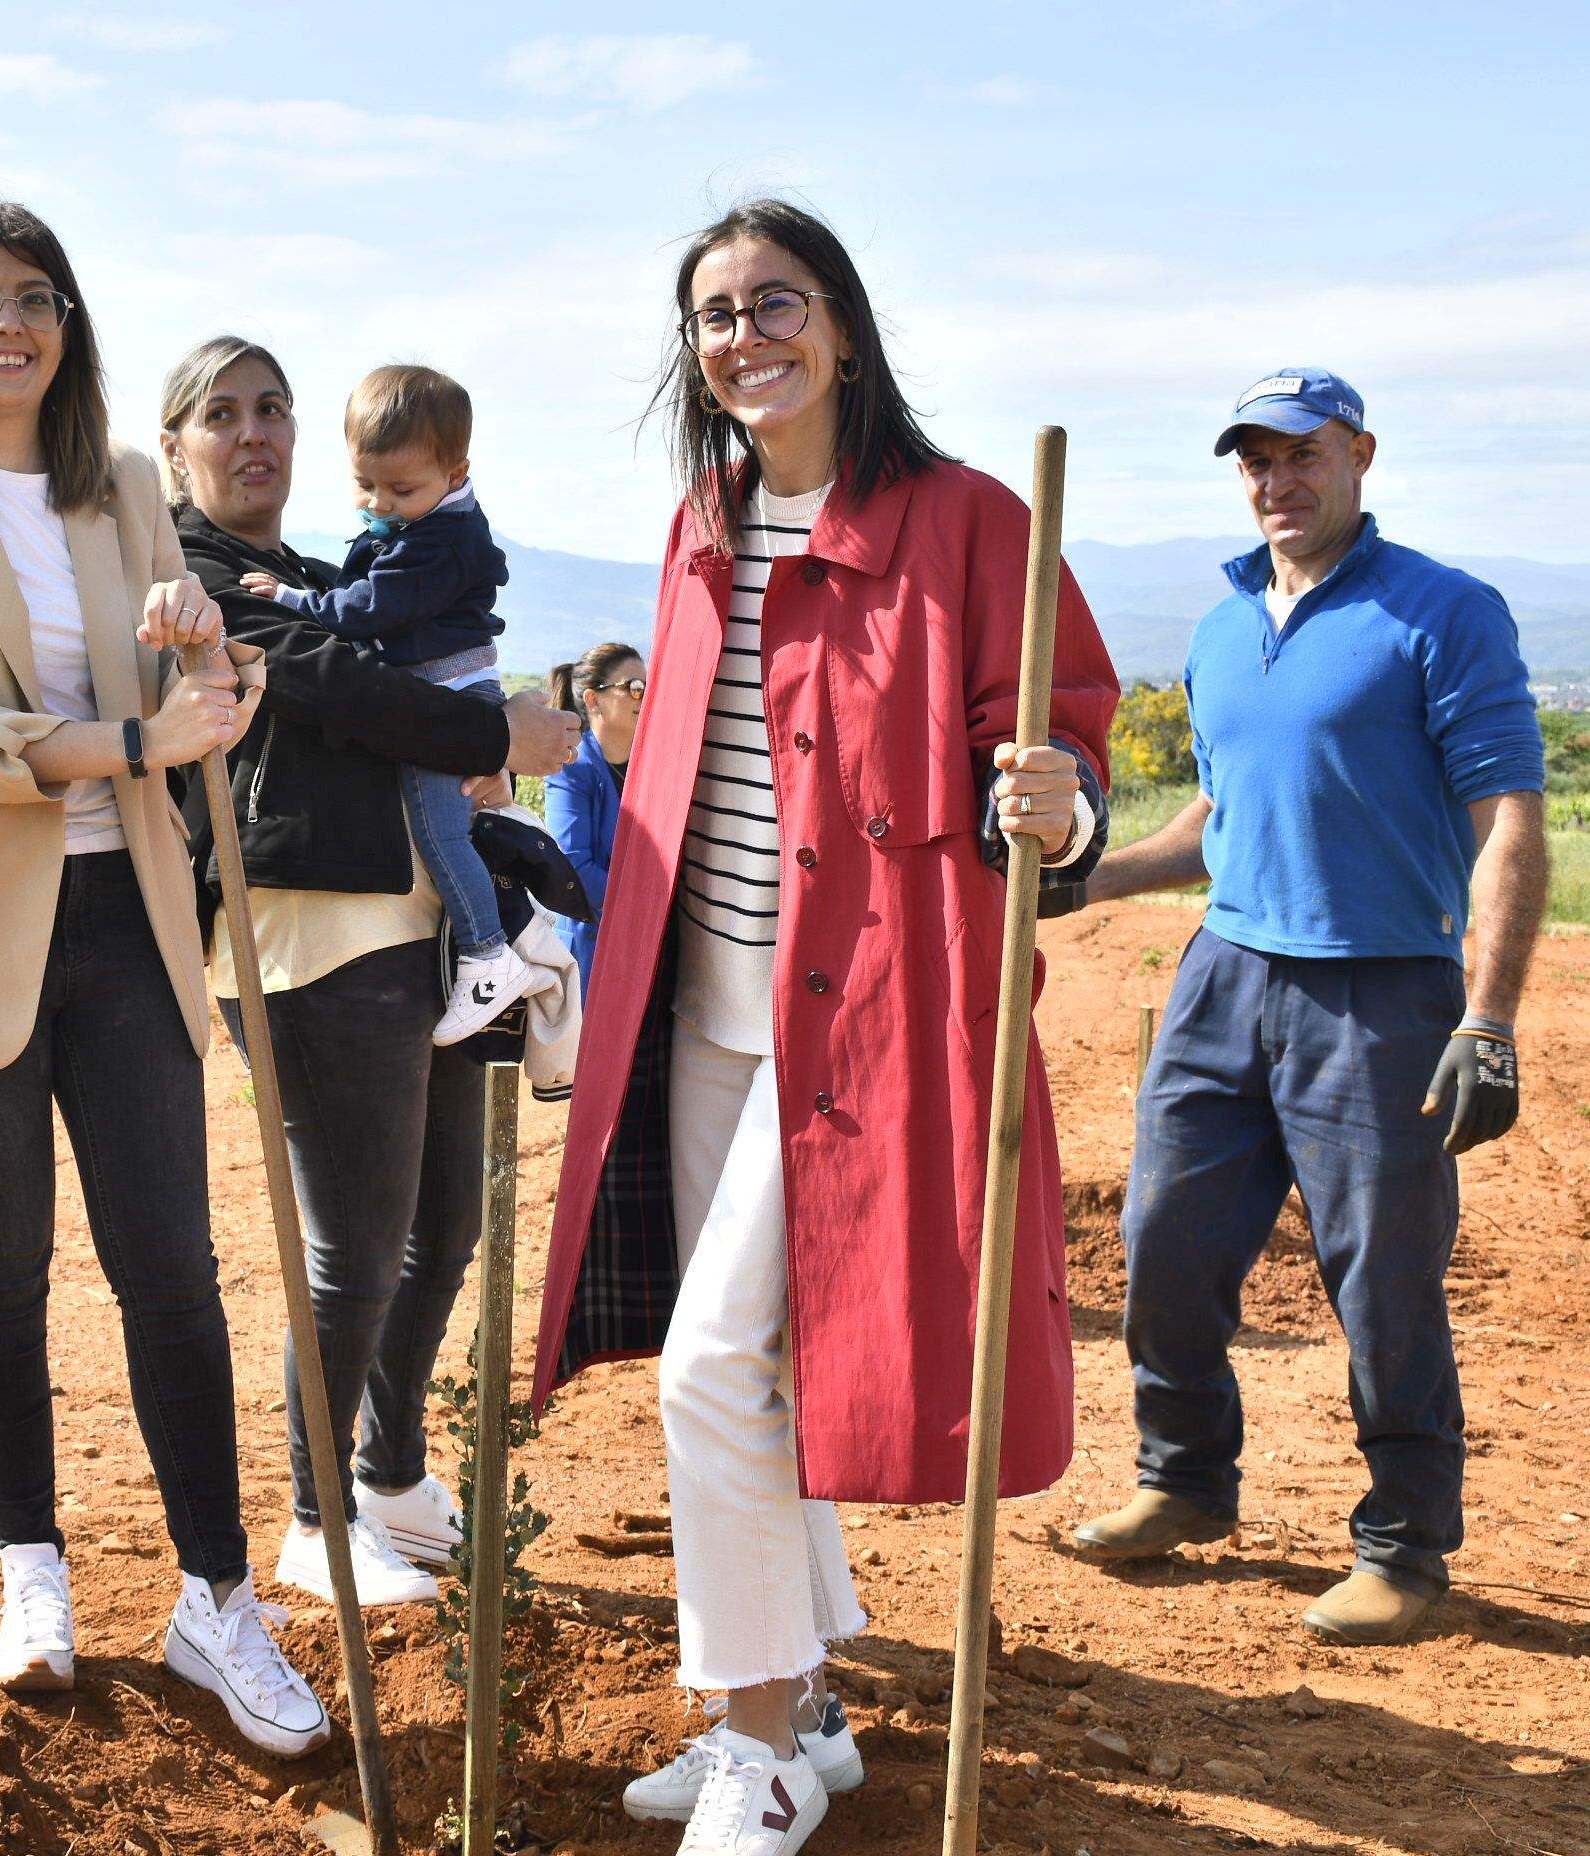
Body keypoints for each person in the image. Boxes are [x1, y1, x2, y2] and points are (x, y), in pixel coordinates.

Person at [527, 201, 1119, 1856]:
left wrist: (1054, 806)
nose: (739, 338)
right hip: (698, 1015)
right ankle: (807, 1714)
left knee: (713, 1371)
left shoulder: (971, 527)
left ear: (840, 325)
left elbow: (1057, 765)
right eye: (709, 316)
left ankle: (760, 1745)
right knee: (752, 1371)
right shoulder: (698, 525)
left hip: (855, 1035)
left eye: (769, 303)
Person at [0, 202, 327, 1758]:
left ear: (69, 322)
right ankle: (31, 1579)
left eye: (38, 296)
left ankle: (214, 1600)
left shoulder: (120, 485)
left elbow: (203, 691)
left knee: (170, 1266)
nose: (10, 323)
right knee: (0, 1275)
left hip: (126, 918)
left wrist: (195, 650)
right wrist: (127, 743)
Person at [1069, 369, 1549, 1647]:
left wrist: (1487, 1018)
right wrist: (1083, 882)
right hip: (1225, 976)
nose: (1277, 481)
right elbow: (1216, 824)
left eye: (1302, 456)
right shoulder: (1223, 624)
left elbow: (1509, 823)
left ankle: (1404, 1543)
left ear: (1360, 455)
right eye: (1255, 461)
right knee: (1163, 1240)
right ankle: (1183, 1479)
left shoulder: (1442, 611)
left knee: (1383, 1277)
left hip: (1383, 988)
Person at [157, 336, 584, 1608]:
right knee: (352, 1248)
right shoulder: (195, 577)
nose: (254, 435)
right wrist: (495, 727)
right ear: (176, 444)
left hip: (416, 932)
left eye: (273, 409)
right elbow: (335, 684)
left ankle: (391, 1469)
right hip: (306, 940)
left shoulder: (321, 565)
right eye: (221, 415)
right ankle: (314, 1515)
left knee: (442, 1222)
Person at [239, 364, 543, 1045]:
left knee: (440, 833)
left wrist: (293, 601)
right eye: (365, 483)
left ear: (457, 470)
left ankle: (489, 956)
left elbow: (369, 608)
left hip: (449, 693)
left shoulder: (436, 542)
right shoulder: (430, 522)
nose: (380, 501)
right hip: (451, 690)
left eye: (401, 489)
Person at [542, 642, 644, 993]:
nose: (642, 697)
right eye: (632, 687)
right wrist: (644, 903)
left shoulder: (652, 768)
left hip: (648, 951)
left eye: (647, 687)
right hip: (591, 951)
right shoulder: (571, 768)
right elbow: (572, 865)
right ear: (593, 698)